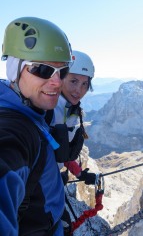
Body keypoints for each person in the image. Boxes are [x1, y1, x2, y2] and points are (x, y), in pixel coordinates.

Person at [0, 16, 74, 235]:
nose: (57, 81)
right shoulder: (14, 127)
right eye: (42, 70)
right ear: (14, 70)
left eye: (63, 71)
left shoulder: (35, 111)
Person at [46, 50, 97, 235]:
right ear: (60, 78)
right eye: (73, 81)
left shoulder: (71, 109)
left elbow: (61, 150)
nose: (79, 90)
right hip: (39, 185)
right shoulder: (49, 108)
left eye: (85, 84)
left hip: (50, 180)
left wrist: (79, 173)